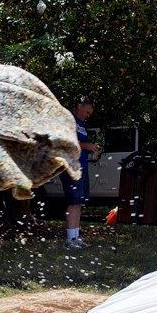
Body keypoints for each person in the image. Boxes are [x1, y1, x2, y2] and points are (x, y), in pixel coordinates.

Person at [62, 97, 101, 250]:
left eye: (90, 113)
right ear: (79, 106)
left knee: (79, 202)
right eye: (87, 111)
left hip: (81, 166)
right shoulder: (69, 120)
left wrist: (90, 148)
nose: (88, 115)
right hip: (72, 167)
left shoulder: (82, 124)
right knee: (73, 202)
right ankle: (70, 240)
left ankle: (76, 238)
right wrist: (87, 145)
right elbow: (66, 143)